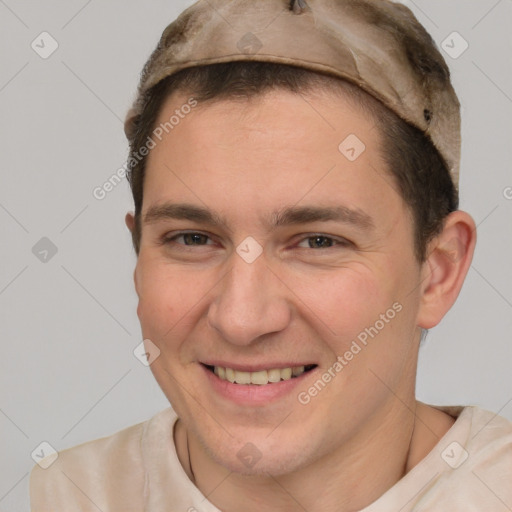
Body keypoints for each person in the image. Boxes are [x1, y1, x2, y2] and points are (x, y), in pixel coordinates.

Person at [29, 0, 512, 510]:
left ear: (438, 272)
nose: (241, 319)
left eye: (318, 241)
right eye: (192, 239)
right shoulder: (57, 495)